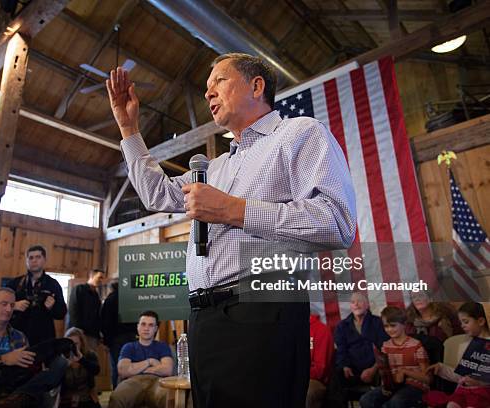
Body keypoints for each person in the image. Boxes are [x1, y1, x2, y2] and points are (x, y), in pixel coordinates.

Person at [107, 52, 356, 408]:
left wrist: (235, 211)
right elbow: (157, 193)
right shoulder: (217, 166)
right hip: (204, 318)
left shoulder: (299, 134)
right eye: (206, 88)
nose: (208, 94)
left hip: (262, 311)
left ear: (256, 86)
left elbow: (337, 222)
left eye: (219, 82)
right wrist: (128, 129)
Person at [325, 292, 389, 408]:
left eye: (360, 301)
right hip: (352, 371)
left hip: (375, 369)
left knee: (385, 372)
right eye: (353, 302)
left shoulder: (378, 323)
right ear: (350, 306)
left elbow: (384, 349)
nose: (356, 304)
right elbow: (341, 350)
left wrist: (373, 369)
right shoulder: (342, 326)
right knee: (336, 376)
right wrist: (345, 366)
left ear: (367, 304)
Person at [360, 306, 431, 408]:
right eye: (386, 326)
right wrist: (384, 386)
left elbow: (427, 378)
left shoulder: (416, 346)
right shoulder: (386, 346)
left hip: (415, 387)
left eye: (393, 326)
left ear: (404, 325)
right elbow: (384, 371)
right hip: (393, 386)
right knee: (366, 400)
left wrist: (405, 372)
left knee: (395, 402)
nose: (389, 329)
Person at [425, 302, 490, 408]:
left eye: (466, 322)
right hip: (463, 391)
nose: (462, 326)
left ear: (481, 321)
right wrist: (442, 369)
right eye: (461, 322)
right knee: (451, 405)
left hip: (484, 394)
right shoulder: (466, 344)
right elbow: (461, 376)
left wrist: (480, 382)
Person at [108, 311, 173, 408]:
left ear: (155, 329)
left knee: (169, 397)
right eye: (143, 324)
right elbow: (123, 371)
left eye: (151, 325)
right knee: (117, 397)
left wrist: (135, 368)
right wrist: (149, 361)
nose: (146, 328)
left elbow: (167, 370)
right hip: (133, 382)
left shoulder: (162, 346)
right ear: (138, 327)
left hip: (157, 382)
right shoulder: (128, 347)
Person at [7, 245, 67, 346]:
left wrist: (52, 307)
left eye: (38, 257)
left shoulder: (53, 284)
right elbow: (0, 305)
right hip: (17, 337)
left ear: (44, 260)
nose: (34, 260)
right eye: (31, 257)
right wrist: (14, 305)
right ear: (26, 261)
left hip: (44, 338)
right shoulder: (15, 283)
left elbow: (62, 313)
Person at [101, 279, 137, 388]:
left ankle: (117, 392)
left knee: (117, 367)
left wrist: (106, 341)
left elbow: (105, 322)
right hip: (131, 336)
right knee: (131, 366)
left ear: (112, 288)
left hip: (115, 338)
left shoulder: (110, 300)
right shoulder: (130, 298)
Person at [60, 327, 101, 408]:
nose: (72, 347)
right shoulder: (61, 357)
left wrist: (82, 360)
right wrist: (64, 365)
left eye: (75, 344)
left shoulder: (90, 355)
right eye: (69, 344)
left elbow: (96, 370)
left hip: (86, 398)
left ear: (81, 343)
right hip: (66, 400)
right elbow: (55, 381)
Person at [69, 268, 105, 351]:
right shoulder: (79, 289)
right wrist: (78, 331)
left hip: (93, 334)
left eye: (103, 278)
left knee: (90, 359)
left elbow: (97, 315)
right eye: (100, 277)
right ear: (92, 276)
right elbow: (73, 310)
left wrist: (99, 333)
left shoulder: (96, 295)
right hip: (80, 333)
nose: (101, 280)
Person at [307, 314, 334, 408]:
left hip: (315, 380)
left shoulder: (322, 330)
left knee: (307, 392)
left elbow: (320, 370)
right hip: (292, 377)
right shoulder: (289, 329)